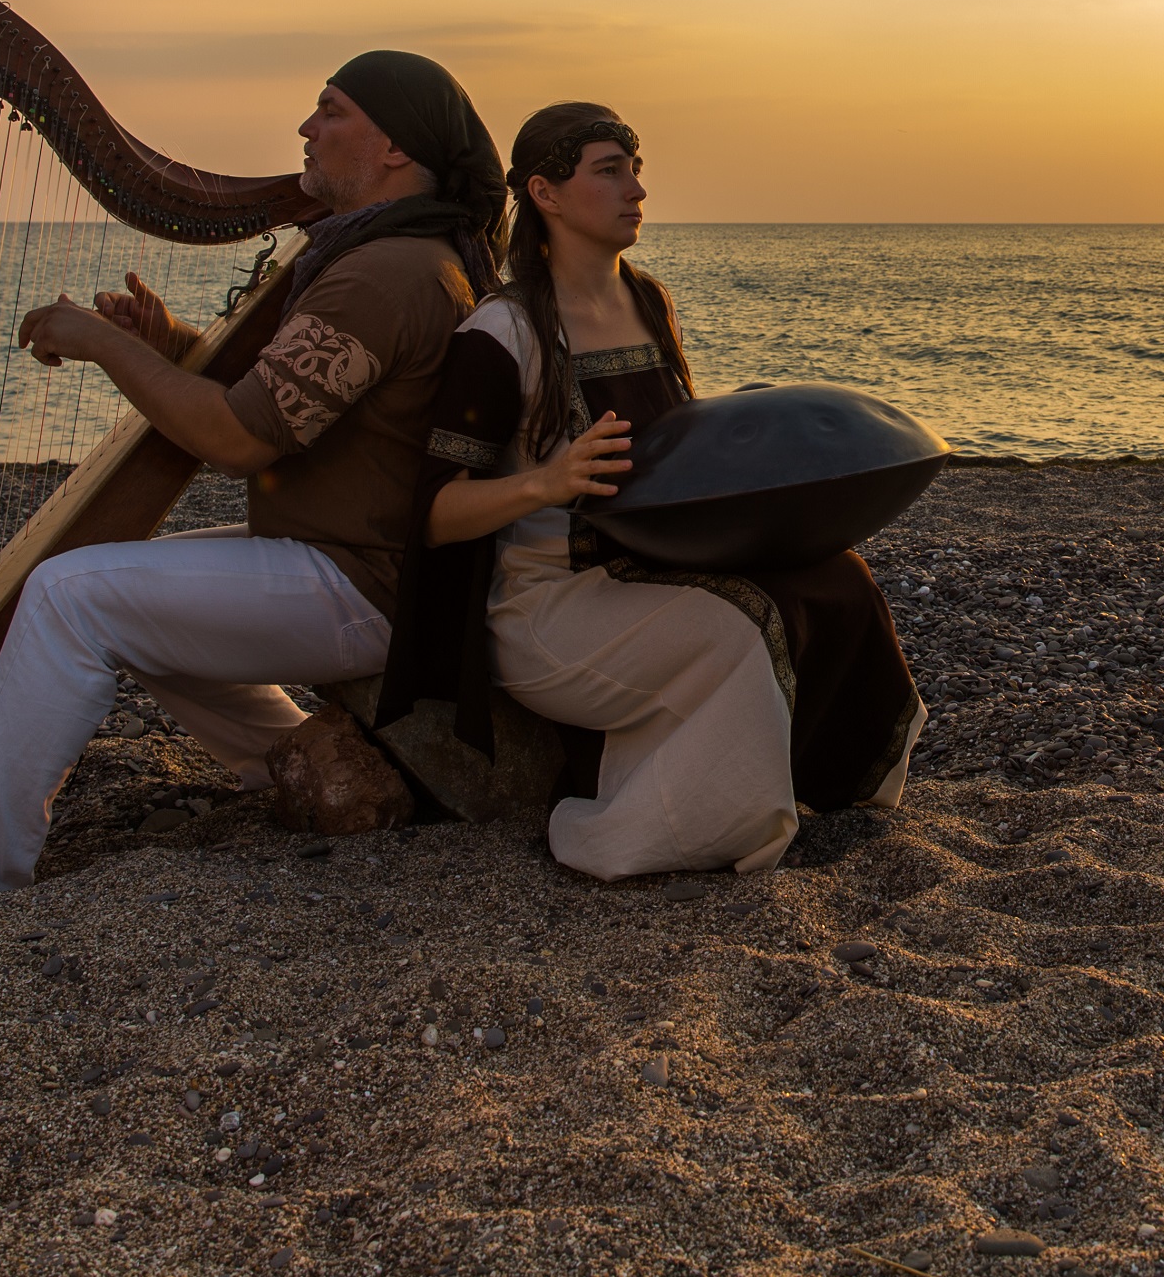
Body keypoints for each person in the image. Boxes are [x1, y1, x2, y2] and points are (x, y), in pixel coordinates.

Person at [0, 52, 506, 909]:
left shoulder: (385, 274)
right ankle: (297, 763)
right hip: (362, 561)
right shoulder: (399, 257)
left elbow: (240, 440)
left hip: (371, 583)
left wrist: (101, 343)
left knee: (71, 595)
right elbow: (282, 396)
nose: (307, 129)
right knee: (130, 591)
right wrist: (169, 344)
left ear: (395, 146)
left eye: (331, 110)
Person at [374, 103, 924, 878]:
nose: (635, 190)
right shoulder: (503, 334)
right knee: (738, 632)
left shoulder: (649, 302)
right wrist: (547, 482)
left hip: (662, 565)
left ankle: (835, 788)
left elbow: (680, 456)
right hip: (549, 606)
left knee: (840, 579)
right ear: (544, 193)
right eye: (609, 171)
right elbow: (435, 516)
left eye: (635, 170)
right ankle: (631, 834)